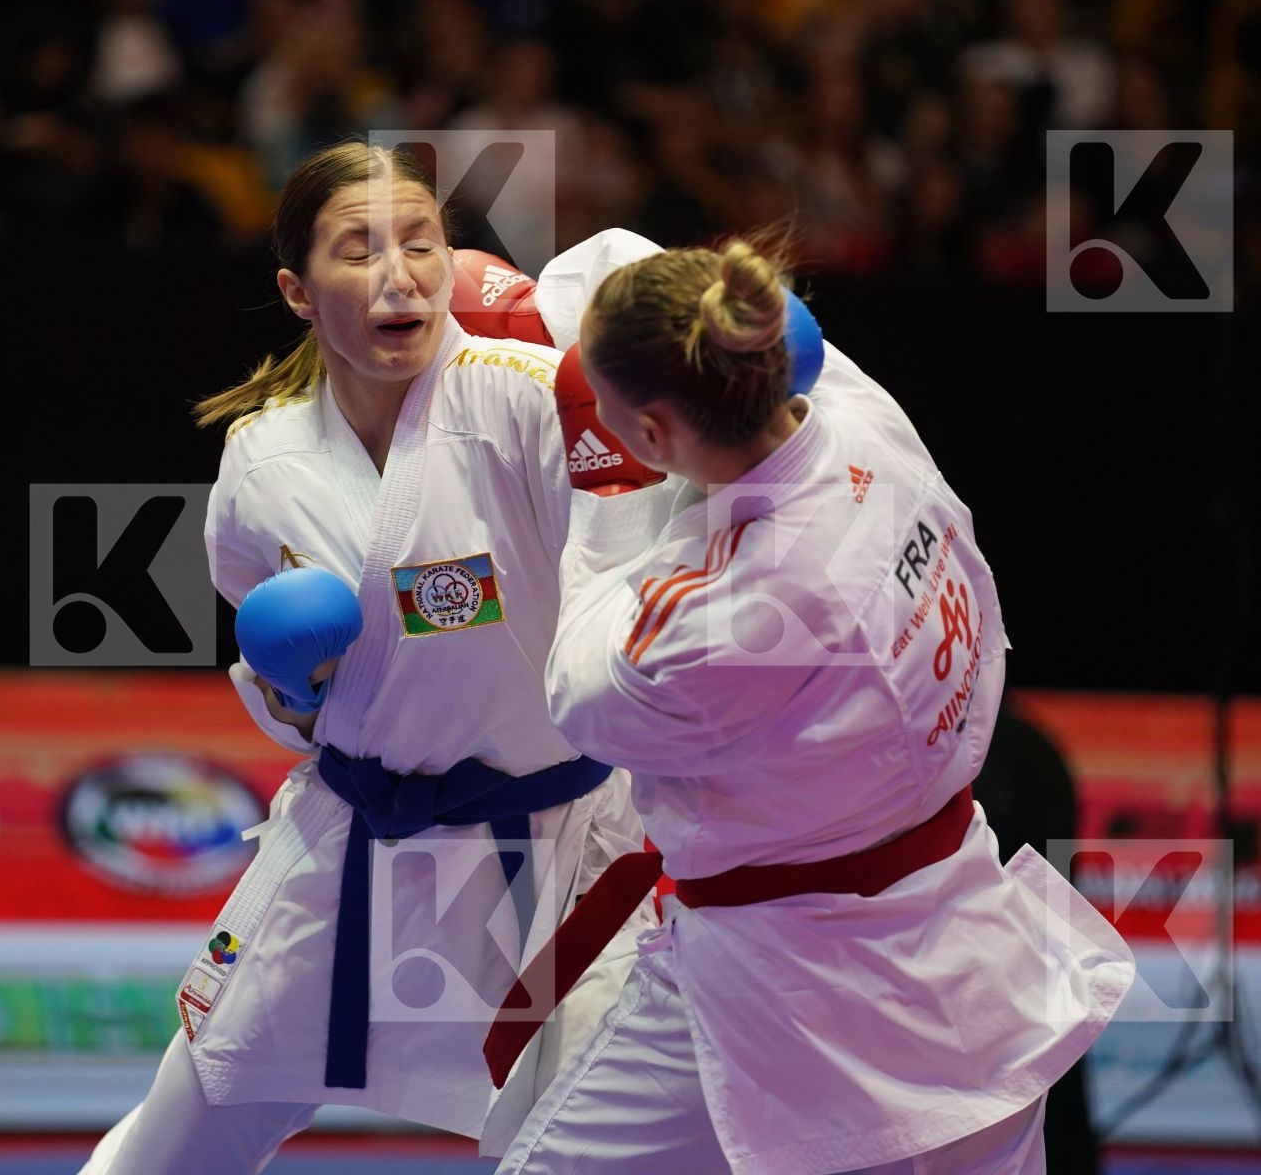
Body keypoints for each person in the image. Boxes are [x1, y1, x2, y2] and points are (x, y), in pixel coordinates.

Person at [483, 234, 1136, 1174]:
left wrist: (609, 487)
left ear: (657, 437)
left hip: (787, 968)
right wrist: (550, 295)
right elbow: (638, 260)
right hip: (956, 923)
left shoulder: (725, 619)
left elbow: (578, 695)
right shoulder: (859, 417)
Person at [76, 140, 651, 1175]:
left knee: (583, 1150)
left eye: (420, 243)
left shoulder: (528, 399)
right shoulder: (261, 461)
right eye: (358, 250)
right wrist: (290, 690)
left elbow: (635, 571)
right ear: (297, 292)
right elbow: (289, 697)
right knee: (180, 1134)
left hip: (554, 850)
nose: (398, 275)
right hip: (351, 842)